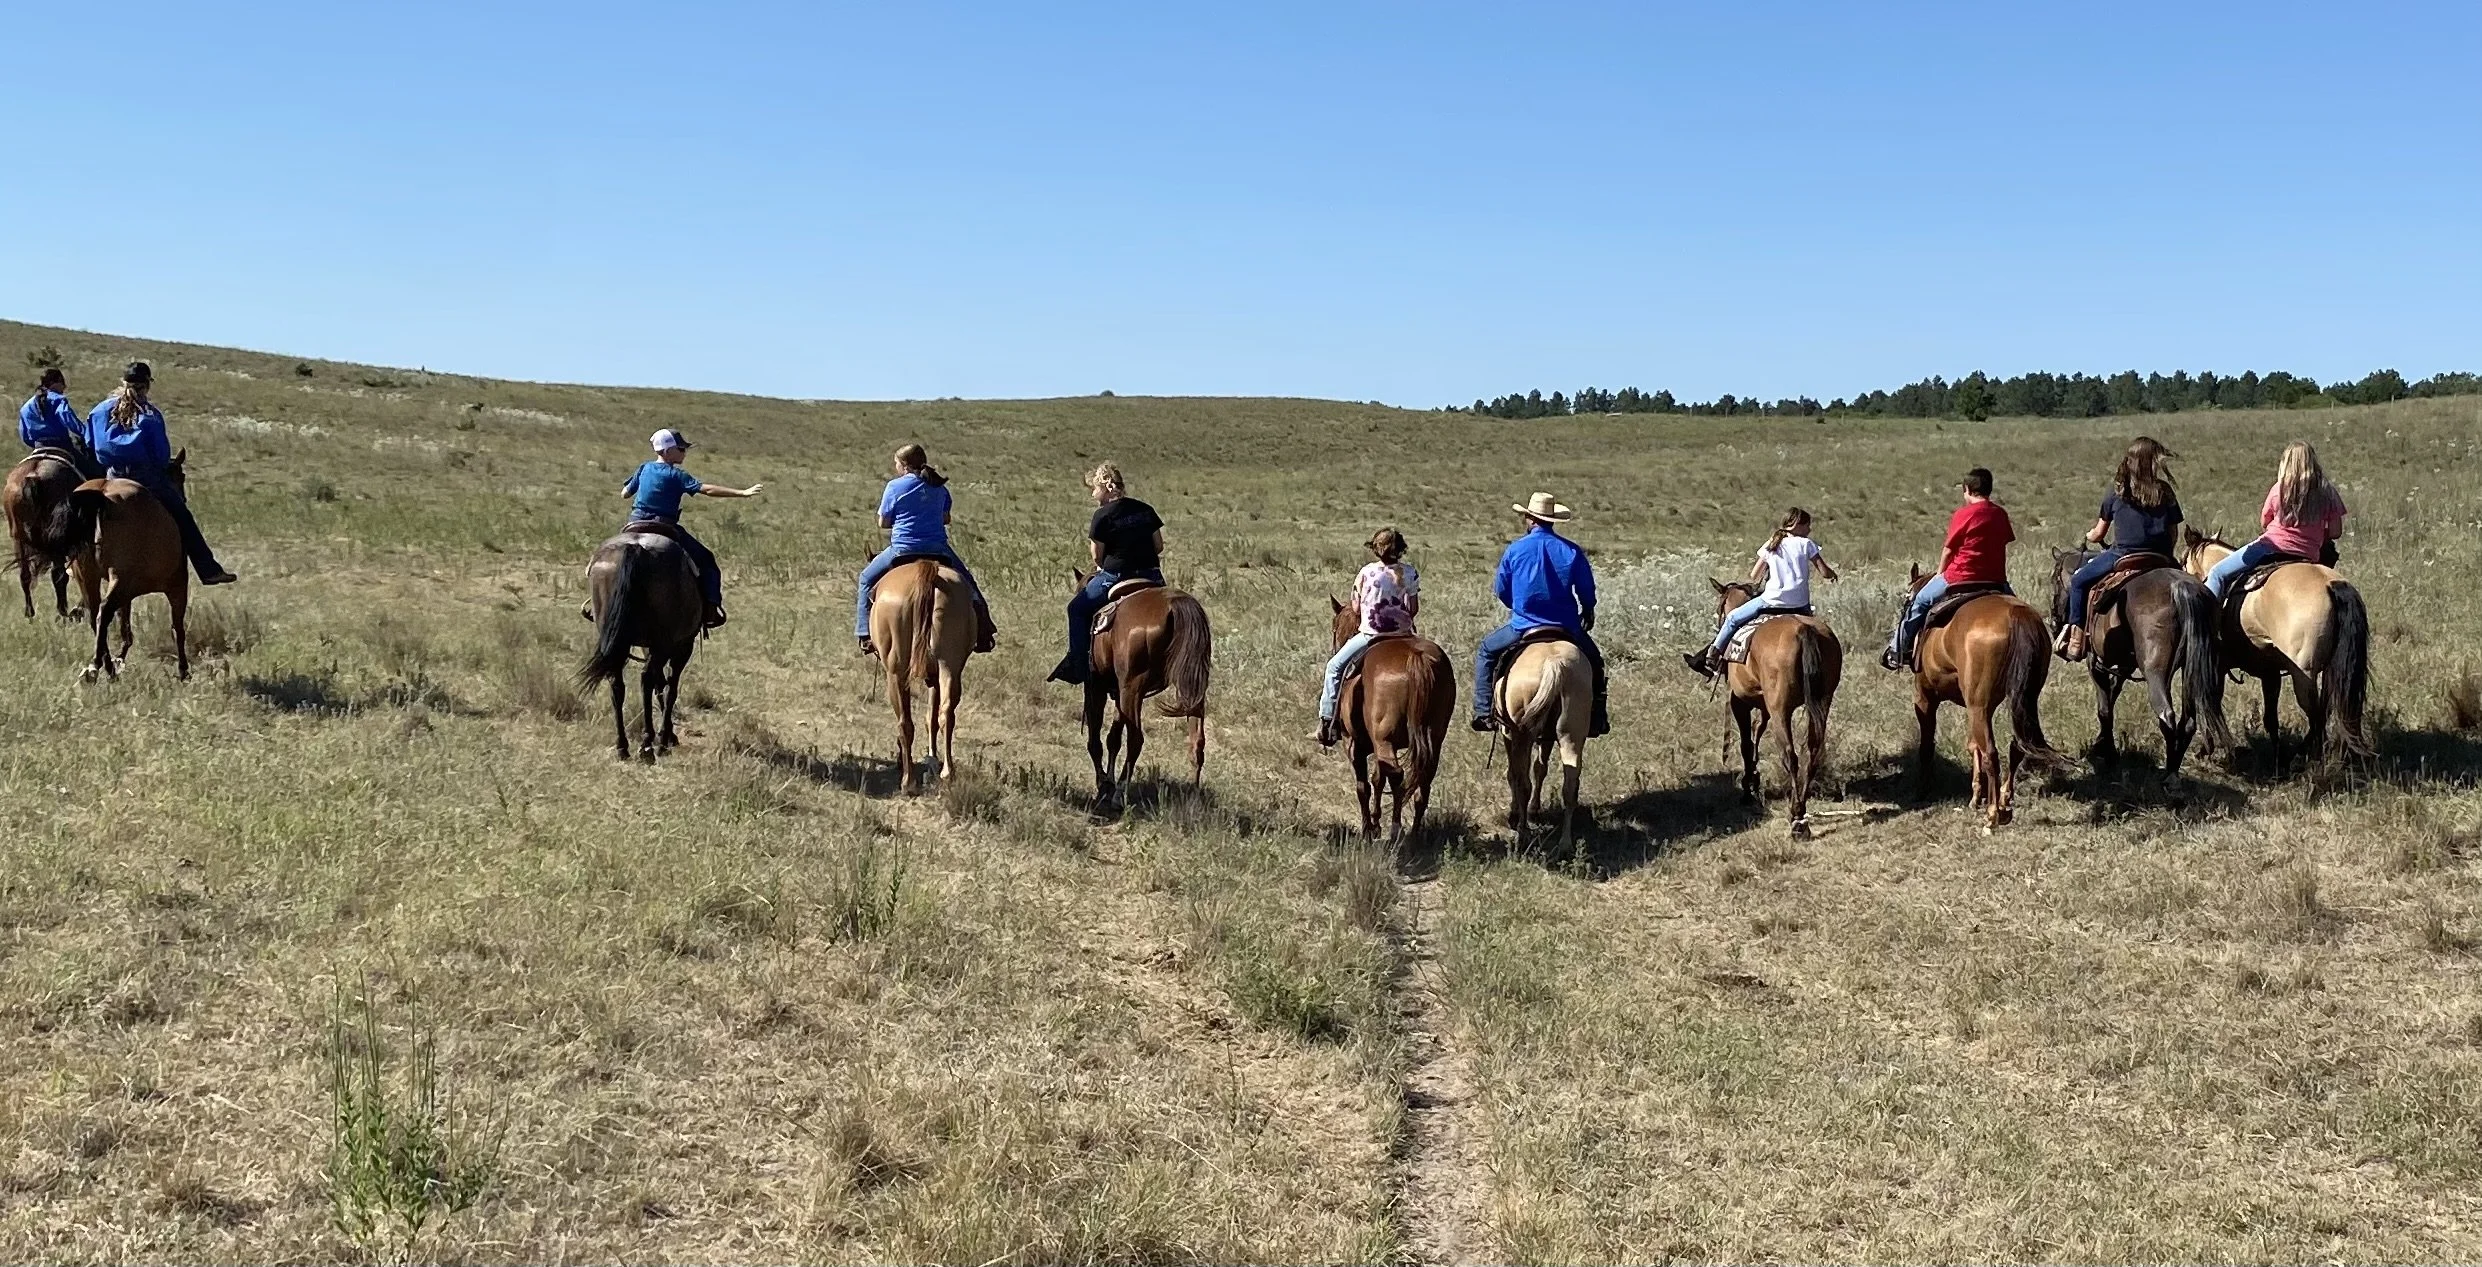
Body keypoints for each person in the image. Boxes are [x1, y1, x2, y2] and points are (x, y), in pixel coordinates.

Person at [85, 361, 235, 585]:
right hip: (146, 477)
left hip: (113, 475)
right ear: (147, 385)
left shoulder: (99, 410)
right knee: (182, 517)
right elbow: (161, 455)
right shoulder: (150, 414)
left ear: (123, 382)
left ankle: (73, 564)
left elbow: (89, 441)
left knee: (85, 519)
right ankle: (208, 570)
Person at [1472, 492, 1607, 736]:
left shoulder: (1515, 550)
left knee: (1486, 652)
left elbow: (1501, 589)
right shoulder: (1571, 551)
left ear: (1530, 519)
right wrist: (1588, 608)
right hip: (1567, 626)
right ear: (1552, 520)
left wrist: (1520, 605)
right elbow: (1586, 590)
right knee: (1595, 662)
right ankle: (1597, 716)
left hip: (1524, 625)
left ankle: (1483, 712)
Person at [855, 443, 997, 655]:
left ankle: (864, 633)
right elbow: (946, 518)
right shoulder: (939, 487)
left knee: (866, 579)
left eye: (896, 463)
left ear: (903, 465)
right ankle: (984, 630)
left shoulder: (894, 487)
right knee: (968, 583)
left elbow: (883, 522)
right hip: (938, 549)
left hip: (902, 549)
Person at [620, 428, 763, 628]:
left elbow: (625, 494)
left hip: (634, 524)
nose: (684, 452)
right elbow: (708, 489)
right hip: (664, 525)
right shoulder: (677, 475)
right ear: (668, 451)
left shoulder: (643, 468)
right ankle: (711, 609)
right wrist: (742, 493)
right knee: (706, 561)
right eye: (681, 448)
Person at [2058, 437, 2182, 661]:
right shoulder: (2165, 491)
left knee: (2077, 581)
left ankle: (2076, 639)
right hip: (2161, 558)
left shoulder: (2118, 491)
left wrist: (2089, 536)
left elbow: (2098, 534)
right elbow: (2173, 532)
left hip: (2123, 555)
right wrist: (2167, 553)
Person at [1882, 467, 2014, 670]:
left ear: (1967, 489)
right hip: (1996, 579)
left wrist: (1939, 574)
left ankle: (1897, 650)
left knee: (1919, 602)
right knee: (2019, 610)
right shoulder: (2000, 514)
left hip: (1960, 576)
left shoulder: (1963, 514)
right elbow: (2003, 541)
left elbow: (1949, 549)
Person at [1684, 507, 1837, 678]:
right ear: (1796, 525)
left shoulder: (1772, 543)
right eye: (1807, 526)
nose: (1809, 530)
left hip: (1771, 601)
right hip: (1800, 605)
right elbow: (1824, 572)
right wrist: (1833, 574)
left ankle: (1712, 654)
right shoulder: (1807, 544)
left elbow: (1754, 575)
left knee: (1733, 619)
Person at [1048, 462, 1164, 685]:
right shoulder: (1145, 509)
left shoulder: (1102, 516)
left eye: (1094, 488)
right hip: (1152, 576)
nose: (1093, 494)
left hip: (1116, 576)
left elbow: (1096, 558)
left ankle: (1078, 665)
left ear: (1108, 486)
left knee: (1076, 609)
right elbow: (1158, 546)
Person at [1315, 527, 1421, 746]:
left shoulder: (1366, 573)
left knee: (1334, 667)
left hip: (1371, 634)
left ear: (1376, 550)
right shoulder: (1409, 573)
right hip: (1404, 634)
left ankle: (1327, 722)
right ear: (1400, 551)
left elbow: (1355, 607)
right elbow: (1413, 608)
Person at [2203, 440, 2346, 599]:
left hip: (2271, 547)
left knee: (2217, 573)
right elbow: (2335, 532)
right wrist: (2314, 533)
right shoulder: (2328, 491)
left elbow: (2264, 522)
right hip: (2309, 553)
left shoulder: (2279, 488)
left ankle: (2207, 621)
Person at [19, 367, 98, 476]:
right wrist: (87, 435)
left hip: (38, 446)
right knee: (93, 471)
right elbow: (69, 420)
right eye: (62, 382)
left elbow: (25, 436)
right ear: (54, 383)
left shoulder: (26, 407)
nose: (64, 387)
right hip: (61, 445)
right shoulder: (58, 400)